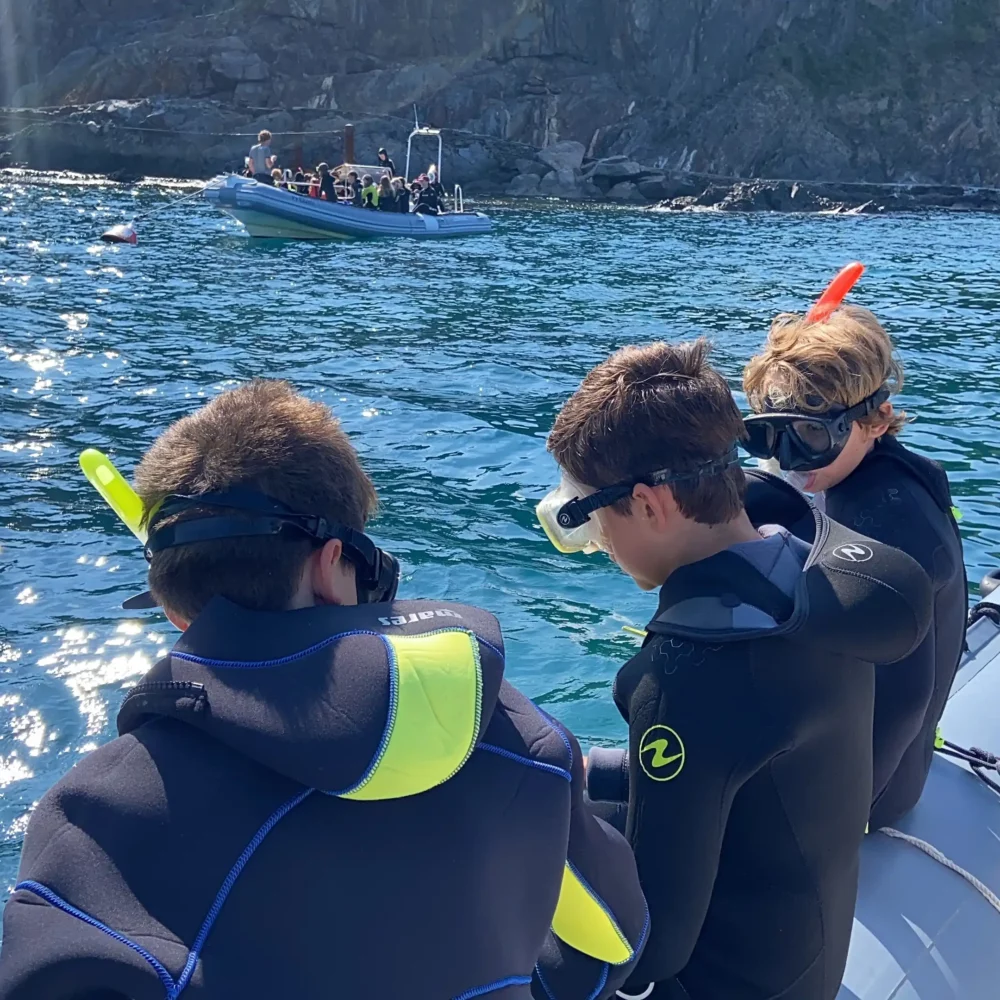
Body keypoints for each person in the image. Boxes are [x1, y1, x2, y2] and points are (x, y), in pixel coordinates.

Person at [0, 381, 648, 1000]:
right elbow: (611, 945)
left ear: (172, 607)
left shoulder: (90, 821)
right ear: (332, 567)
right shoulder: (521, 743)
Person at [539, 340, 932, 1000]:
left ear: (650, 505)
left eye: (589, 514)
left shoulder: (687, 678)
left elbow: (650, 946)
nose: (597, 541)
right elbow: (738, 766)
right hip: (803, 964)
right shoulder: (813, 585)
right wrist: (588, 769)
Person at [743, 300, 967, 831]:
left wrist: (844, 813)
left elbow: (905, 699)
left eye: (811, 436)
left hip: (871, 788)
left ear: (876, 419)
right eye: (769, 435)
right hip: (839, 734)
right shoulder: (847, 476)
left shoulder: (893, 526)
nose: (789, 459)